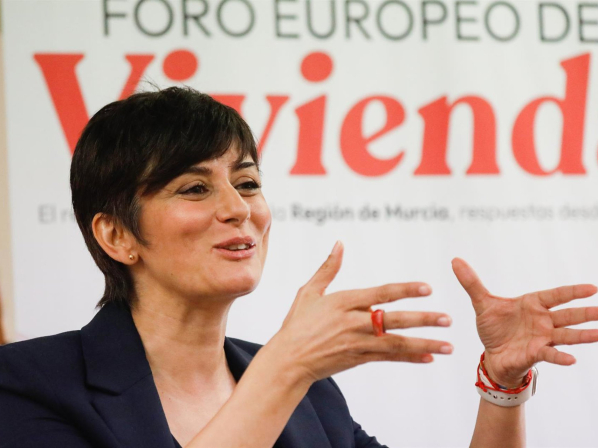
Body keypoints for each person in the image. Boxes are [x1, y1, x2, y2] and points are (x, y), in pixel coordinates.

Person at [1, 87, 597, 448]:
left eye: (247, 183)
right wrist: (286, 366)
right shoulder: (26, 384)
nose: (239, 209)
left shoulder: (310, 393)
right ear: (117, 235)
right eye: (194, 188)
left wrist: (502, 387)